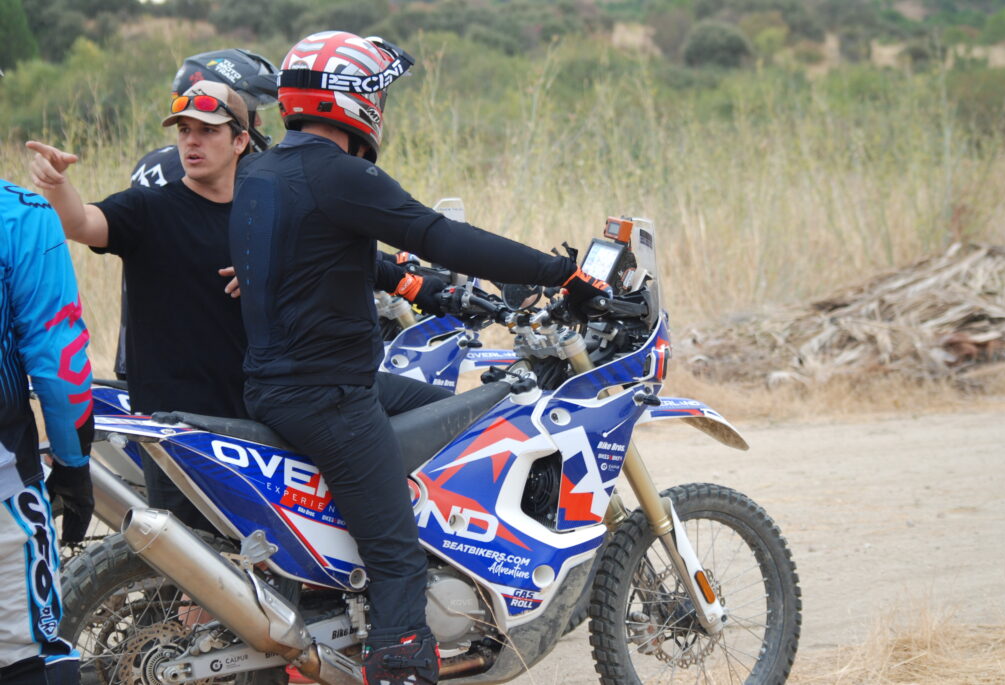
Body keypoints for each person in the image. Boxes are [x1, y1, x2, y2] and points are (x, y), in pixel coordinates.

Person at [229, 30, 611, 685]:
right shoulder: (338, 173)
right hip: (328, 398)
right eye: (377, 94)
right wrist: (558, 271)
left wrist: (420, 287)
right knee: (395, 554)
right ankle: (402, 658)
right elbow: (440, 235)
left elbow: (325, 251)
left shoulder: (264, 171)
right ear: (355, 100)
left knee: (474, 424)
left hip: (297, 383)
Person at [27, 80, 254, 533]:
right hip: (173, 423)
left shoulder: (262, 214)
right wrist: (58, 185)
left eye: (208, 130)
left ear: (240, 141)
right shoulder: (149, 209)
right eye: (184, 130)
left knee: (256, 554)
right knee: (190, 555)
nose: (192, 141)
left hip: (253, 414)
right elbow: (80, 222)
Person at [114, 49, 279, 381]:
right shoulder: (203, 173)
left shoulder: (156, 162)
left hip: (148, 354)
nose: (259, 123)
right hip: (193, 366)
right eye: (250, 109)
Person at [0, 180, 93, 685]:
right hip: (5, 481)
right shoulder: (18, 212)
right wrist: (73, 466)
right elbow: (59, 362)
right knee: (31, 660)